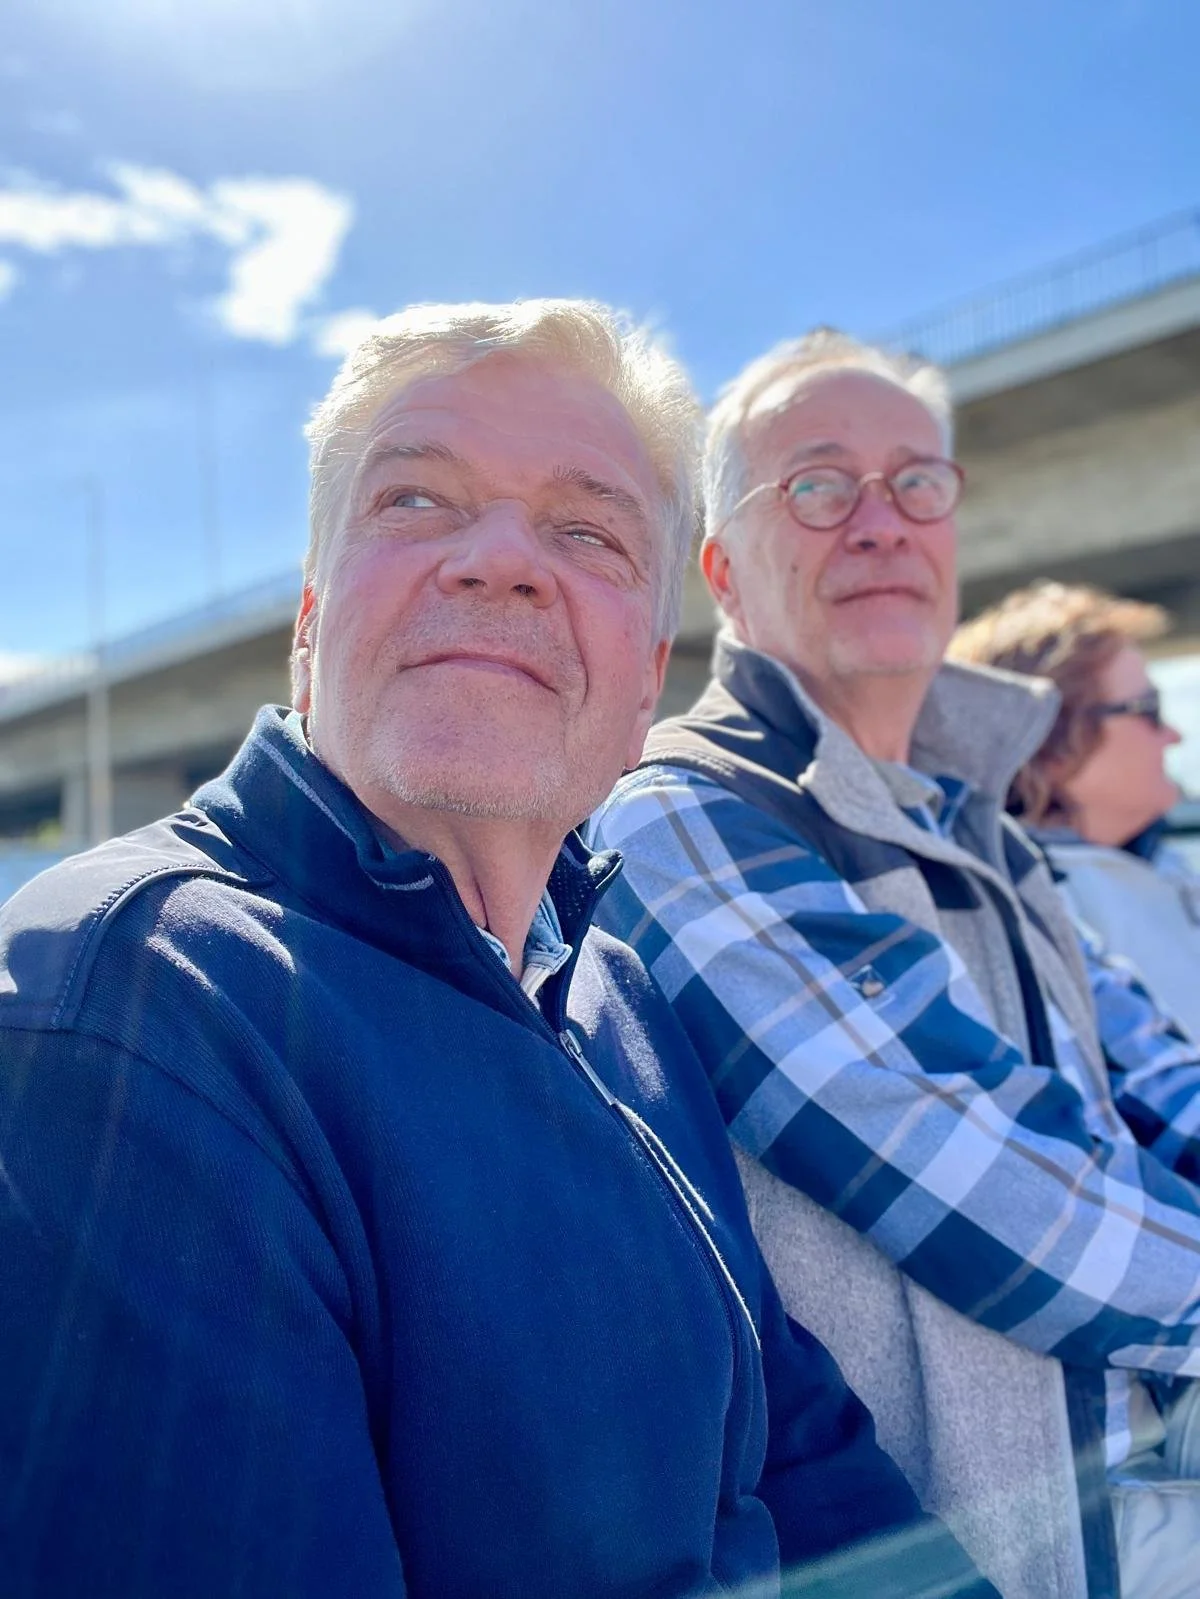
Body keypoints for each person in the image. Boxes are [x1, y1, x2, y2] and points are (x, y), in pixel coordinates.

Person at [0, 302, 994, 1599]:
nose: (502, 560)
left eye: (587, 531)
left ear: (645, 690)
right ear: (309, 627)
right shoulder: (128, 1011)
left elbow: (805, 1456)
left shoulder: (616, 996)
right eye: (416, 501)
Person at [591, 328, 1200, 1599]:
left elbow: (1158, 1084)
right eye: (818, 485)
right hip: (987, 1560)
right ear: (724, 572)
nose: (881, 523)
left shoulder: (988, 836)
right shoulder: (685, 814)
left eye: (918, 482)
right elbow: (995, 1183)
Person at [950, 581, 1200, 1039]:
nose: (1174, 735)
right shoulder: (1034, 909)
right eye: (1148, 709)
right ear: (1050, 742)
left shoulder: (1161, 864)